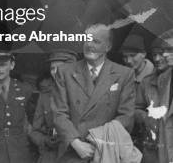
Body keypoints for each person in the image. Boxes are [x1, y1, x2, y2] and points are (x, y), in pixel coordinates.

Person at [52, 24, 135, 163]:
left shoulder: (124, 74)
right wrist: (76, 143)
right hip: (73, 153)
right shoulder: (65, 72)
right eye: (86, 40)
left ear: (108, 47)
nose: (89, 45)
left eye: (96, 42)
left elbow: (126, 116)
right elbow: (59, 113)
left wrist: (97, 140)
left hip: (107, 152)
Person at [30, 50, 77, 163]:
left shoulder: (87, 94)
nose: (55, 72)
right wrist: (45, 140)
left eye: (59, 68)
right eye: (52, 68)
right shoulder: (45, 97)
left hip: (77, 155)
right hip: (51, 155)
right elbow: (34, 131)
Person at [135, 30, 173, 163]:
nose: (157, 59)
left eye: (161, 54)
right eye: (154, 54)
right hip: (154, 147)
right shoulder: (147, 82)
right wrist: (146, 118)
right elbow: (136, 108)